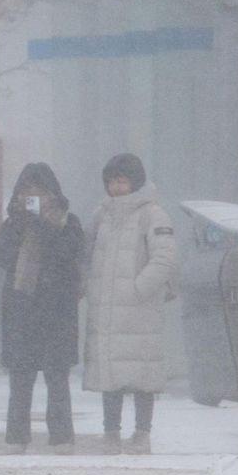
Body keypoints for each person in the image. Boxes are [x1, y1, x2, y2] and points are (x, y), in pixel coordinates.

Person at [83, 153, 178, 454]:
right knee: (110, 374)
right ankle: (110, 433)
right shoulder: (101, 215)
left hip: (139, 310)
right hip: (107, 309)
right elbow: (85, 253)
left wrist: (138, 290)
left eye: (122, 181)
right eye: (111, 181)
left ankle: (141, 433)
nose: (116, 187)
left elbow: (164, 258)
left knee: (141, 376)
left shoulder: (153, 214)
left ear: (134, 182)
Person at [0, 163, 85, 454]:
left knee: (57, 378)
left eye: (39, 190)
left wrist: (44, 227)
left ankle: (62, 438)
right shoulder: (13, 223)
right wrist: (21, 226)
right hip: (22, 311)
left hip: (57, 311)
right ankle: (16, 438)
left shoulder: (68, 222)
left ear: (52, 193)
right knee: (20, 379)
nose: (32, 195)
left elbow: (69, 254)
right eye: (26, 190)